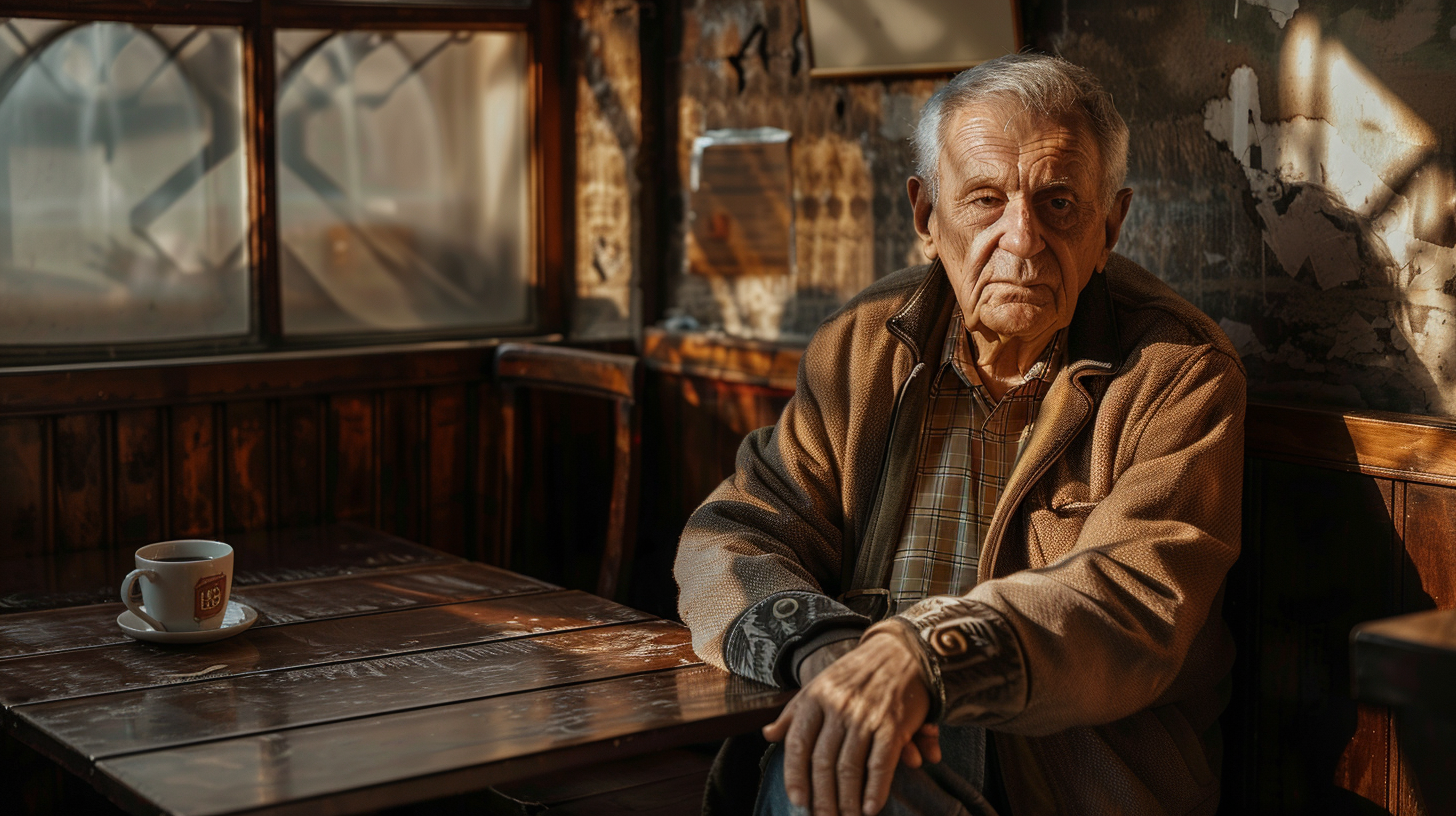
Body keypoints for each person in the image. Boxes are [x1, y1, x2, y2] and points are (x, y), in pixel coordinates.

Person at [674, 53, 1245, 816]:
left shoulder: (1178, 373)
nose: (1023, 239)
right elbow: (730, 538)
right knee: (834, 778)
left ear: (1110, 228)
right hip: (863, 744)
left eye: (1060, 204)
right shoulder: (860, 344)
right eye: (984, 199)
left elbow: (1133, 600)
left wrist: (924, 656)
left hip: (1059, 787)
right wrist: (827, 650)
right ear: (925, 217)